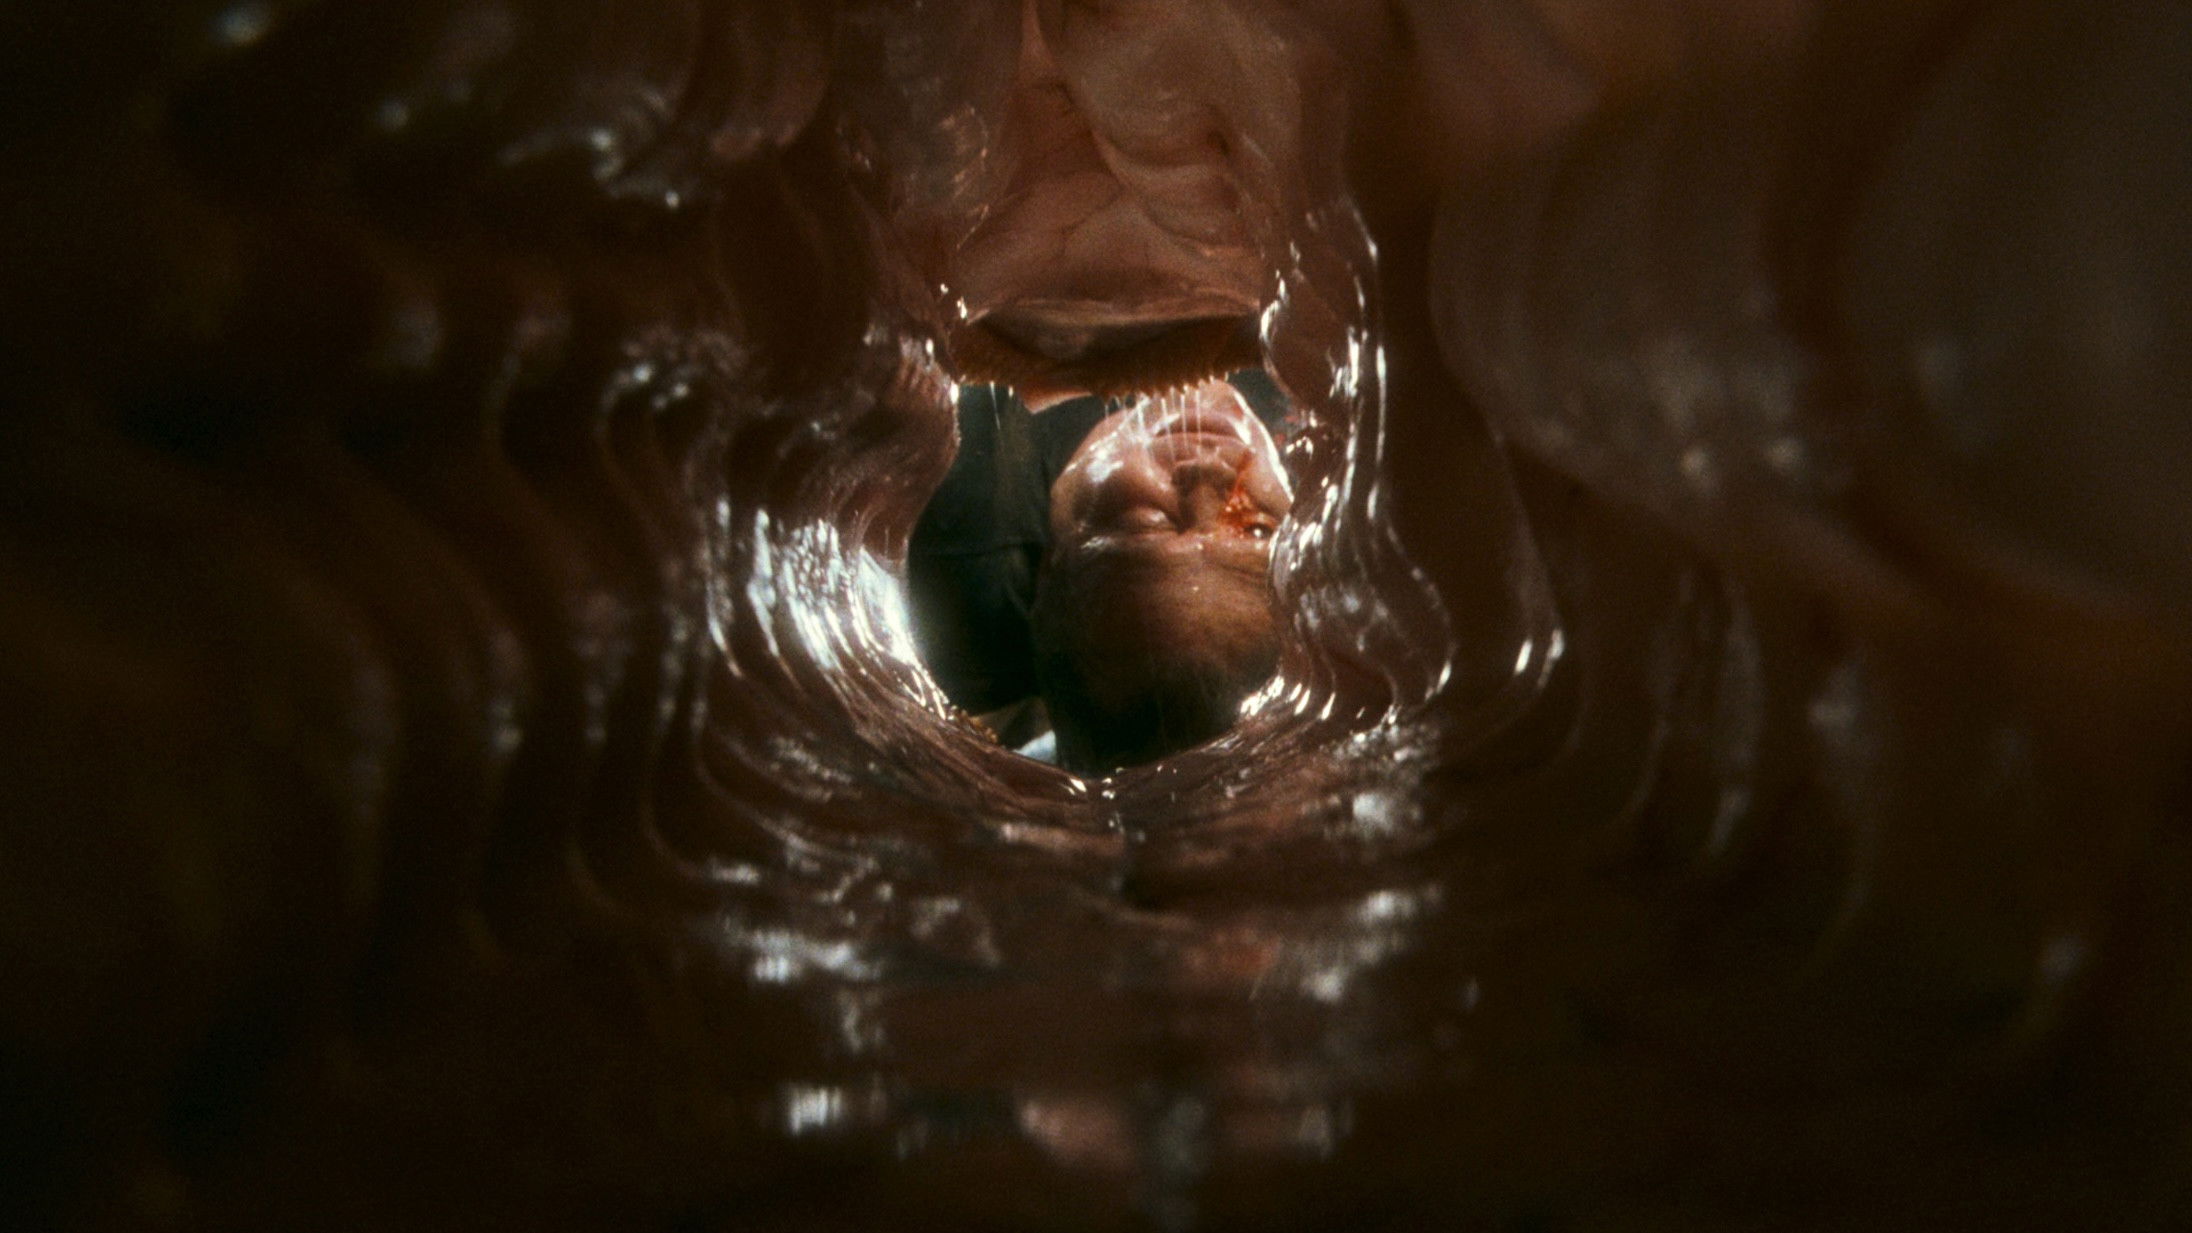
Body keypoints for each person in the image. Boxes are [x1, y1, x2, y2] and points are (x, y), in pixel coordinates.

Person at [907, 374, 1294, 772]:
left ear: (1051, 564)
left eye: (1144, 521)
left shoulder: (955, 530)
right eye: (1257, 530)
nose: (1207, 471)